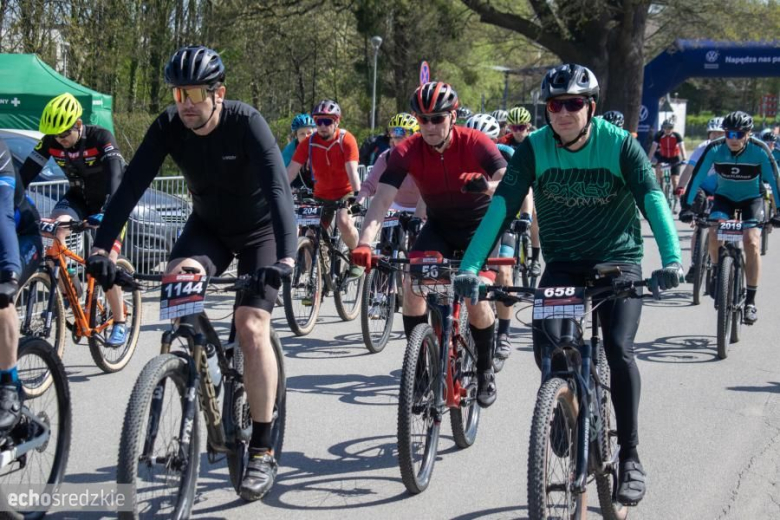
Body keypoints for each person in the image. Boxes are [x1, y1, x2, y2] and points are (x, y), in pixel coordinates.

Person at [453, 64, 683, 507]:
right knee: (551, 348)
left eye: (573, 104)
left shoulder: (618, 144)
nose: (562, 112)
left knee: (618, 348)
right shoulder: (536, 148)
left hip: (618, 261)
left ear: (590, 107)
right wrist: (471, 267)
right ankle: (561, 402)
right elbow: (502, 203)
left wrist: (671, 258)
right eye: (555, 105)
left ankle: (631, 456)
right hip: (563, 262)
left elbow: (652, 198)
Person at [85, 45, 297, 501]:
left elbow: (280, 192)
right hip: (208, 230)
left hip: (260, 234)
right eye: (178, 92)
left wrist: (286, 259)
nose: (184, 102)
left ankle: (261, 448)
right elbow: (130, 187)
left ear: (218, 93)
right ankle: (189, 372)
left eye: (195, 93)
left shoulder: (247, 123)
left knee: (251, 325)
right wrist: (103, 246)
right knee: (177, 285)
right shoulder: (169, 126)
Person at [351, 81, 507, 408]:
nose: (430, 126)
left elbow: (509, 179)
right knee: (414, 287)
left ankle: (483, 369)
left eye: (437, 118)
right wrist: (365, 242)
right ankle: (419, 370)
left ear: (453, 116)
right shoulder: (406, 151)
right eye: (423, 120)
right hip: (439, 227)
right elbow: (381, 202)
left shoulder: (474, 142)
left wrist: (487, 185)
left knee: (474, 295)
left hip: (479, 229)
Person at [20, 93, 128, 347]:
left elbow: (116, 175)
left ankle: (120, 321)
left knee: (104, 262)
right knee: (53, 231)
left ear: (78, 124)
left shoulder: (101, 138)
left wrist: (109, 211)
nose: (61, 141)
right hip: (78, 198)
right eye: (56, 136)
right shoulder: (51, 142)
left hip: (111, 202)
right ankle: (72, 286)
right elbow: (24, 173)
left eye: (65, 135)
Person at [680, 111, 780, 324]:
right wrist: (686, 206)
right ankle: (717, 272)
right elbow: (697, 176)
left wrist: (778, 212)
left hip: (751, 199)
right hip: (724, 198)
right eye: (729, 134)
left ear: (748, 134)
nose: (733, 139)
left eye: (738, 134)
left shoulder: (760, 150)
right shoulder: (715, 148)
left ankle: (751, 302)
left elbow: (775, 179)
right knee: (715, 232)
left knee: (751, 242)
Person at [286, 99, 364, 278]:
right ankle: (320, 275)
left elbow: (353, 171)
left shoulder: (346, 139)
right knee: (312, 233)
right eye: (318, 121)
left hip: (345, 192)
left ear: (337, 121)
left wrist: (358, 197)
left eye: (327, 121)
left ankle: (355, 254)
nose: (322, 126)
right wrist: (276, 190)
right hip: (321, 194)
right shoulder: (309, 143)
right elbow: (290, 171)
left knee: (344, 222)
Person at [0, 140, 42, 435]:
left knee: (1, 302)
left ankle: (9, 386)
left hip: (19, 238)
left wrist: (10, 274)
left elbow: (2, 216)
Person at [677, 117, 724, 282]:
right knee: (698, 227)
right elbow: (689, 169)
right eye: (714, 133)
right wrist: (680, 187)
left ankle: (721, 265)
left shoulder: (729, 149)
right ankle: (694, 264)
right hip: (703, 187)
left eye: (720, 133)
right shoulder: (702, 148)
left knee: (718, 227)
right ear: (709, 134)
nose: (716, 136)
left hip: (723, 189)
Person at [355, 113, 421, 213]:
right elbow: (369, 185)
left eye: (406, 133)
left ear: (416, 135)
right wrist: (357, 203)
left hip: (423, 207)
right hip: (395, 207)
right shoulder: (386, 157)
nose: (400, 137)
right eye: (395, 132)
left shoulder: (426, 155)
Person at [647, 119, 687, 209]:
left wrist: (684, 158)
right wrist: (648, 159)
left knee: (675, 180)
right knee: (658, 169)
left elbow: (682, 147)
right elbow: (653, 148)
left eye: (670, 127)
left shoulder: (677, 136)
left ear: (673, 128)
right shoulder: (659, 135)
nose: (668, 129)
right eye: (666, 128)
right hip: (664, 157)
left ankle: (676, 199)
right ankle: (660, 186)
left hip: (675, 158)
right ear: (663, 128)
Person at [281, 114, 316, 189]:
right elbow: (280, 171)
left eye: (309, 133)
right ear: (296, 136)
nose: (306, 136)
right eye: (302, 134)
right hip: (299, 185)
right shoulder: (291, 148)